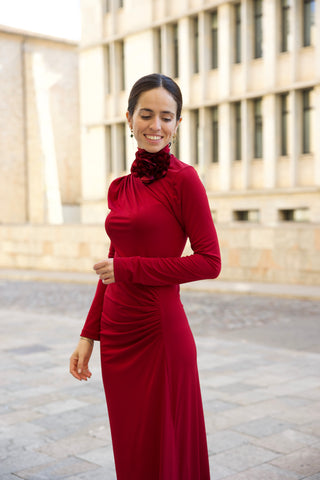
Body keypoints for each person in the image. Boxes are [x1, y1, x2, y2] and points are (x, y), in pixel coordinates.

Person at [70, 73, 221, 480]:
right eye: (147, 114)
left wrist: (130, 269)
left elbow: (210, 261)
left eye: (167, 117)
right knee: (132, 450)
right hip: (118, 341)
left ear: (178, 124)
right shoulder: (120, 188)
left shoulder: (184, 180)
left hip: (159, 335)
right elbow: (111, 263)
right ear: (129, 118)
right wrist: (89, 335)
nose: (156, 125)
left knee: (165, 448)